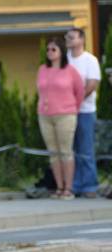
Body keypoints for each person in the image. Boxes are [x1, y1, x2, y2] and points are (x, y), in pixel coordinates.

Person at [36, 37, 84, 199]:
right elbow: (40, 91)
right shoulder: (42, 69)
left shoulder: (70, 70)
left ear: (61, 51)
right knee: (53, 153)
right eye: (48, 50)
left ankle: (68, 188)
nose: (50, 52)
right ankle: (59, 186)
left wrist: (72, 109)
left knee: (65, 152)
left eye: (53, 49)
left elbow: (80, 91)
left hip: (65, 115)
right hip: (45, 115)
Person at [65, 27, 101, 198]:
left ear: (81, 40)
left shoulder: (90, 60)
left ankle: (90, 185)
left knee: (85, 149)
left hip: (85, 111)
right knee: (71, 150)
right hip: (66, 112)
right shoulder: (64, 60)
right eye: (67, 37)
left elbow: (92, 84)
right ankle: (75, 185)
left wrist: (76, 101)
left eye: (72, 37)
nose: (68, 40)